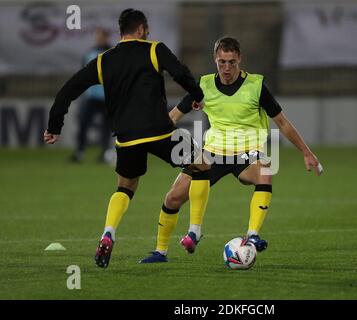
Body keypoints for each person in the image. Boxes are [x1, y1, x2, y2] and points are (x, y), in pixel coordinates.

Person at [44, 8, 211, 268]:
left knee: (125, 187)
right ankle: (194, 230)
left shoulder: (103, 60)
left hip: (127, 138)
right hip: (161, 132)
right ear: (142, 29)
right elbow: (180, 72)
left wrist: (54, 125)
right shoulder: (154, 50)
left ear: (121, 31)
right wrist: (197, 94)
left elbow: (68, 89)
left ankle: (109, 231)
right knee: (202, 165)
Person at [140, 36, 322, 262]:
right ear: (215, 60)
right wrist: (147, 137)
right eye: (222, 62)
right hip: (213, 153)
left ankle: (253, 234)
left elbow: (282, 122)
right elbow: (174, 116)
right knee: (173, 198)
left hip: (248, 152)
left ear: (240, 60)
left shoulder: (256, 86)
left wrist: (306, 152)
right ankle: (160, 252)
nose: (227, 68)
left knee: (265, 171)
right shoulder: (203, 86)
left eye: (232, 62)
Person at [70, 27, 112, 164]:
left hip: (108, 98)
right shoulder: (89, 53)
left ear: (106, 37)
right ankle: (79, 152)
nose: (99, 39)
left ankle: (105, 153)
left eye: (101, 36)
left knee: (106, 127)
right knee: (83, 124)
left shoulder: (113, 54)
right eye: (97, 36)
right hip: (91, 97)